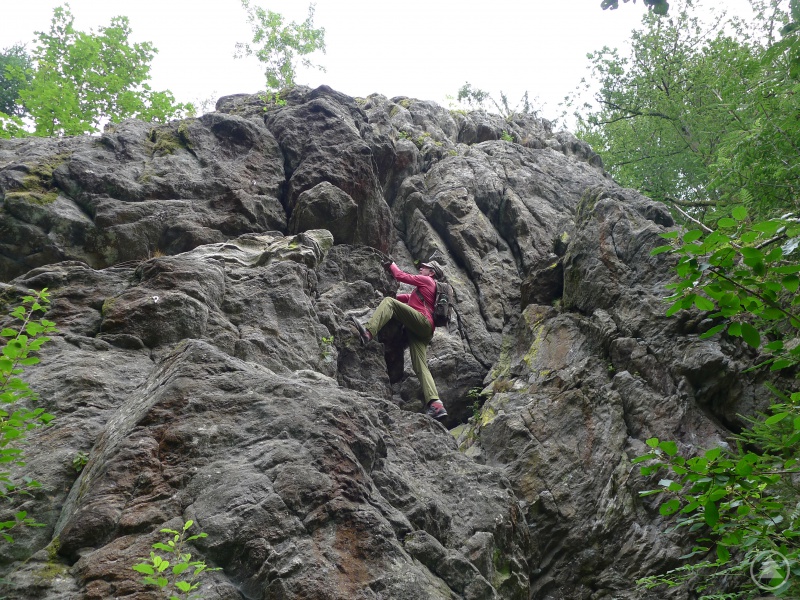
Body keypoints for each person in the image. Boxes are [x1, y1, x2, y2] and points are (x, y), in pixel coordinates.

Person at [349, 260, 447, 420]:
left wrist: (391, 264)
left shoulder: (427, 281)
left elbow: (400, 276)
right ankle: (436, 405)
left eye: (425, 267)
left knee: (389, 304)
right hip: (424, 331)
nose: (421, 268)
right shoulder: (425, 291)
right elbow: (406, 298)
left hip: (422, 321)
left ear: (431, 273)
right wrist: (386, 296)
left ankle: (368, 332)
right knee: (420, 366)